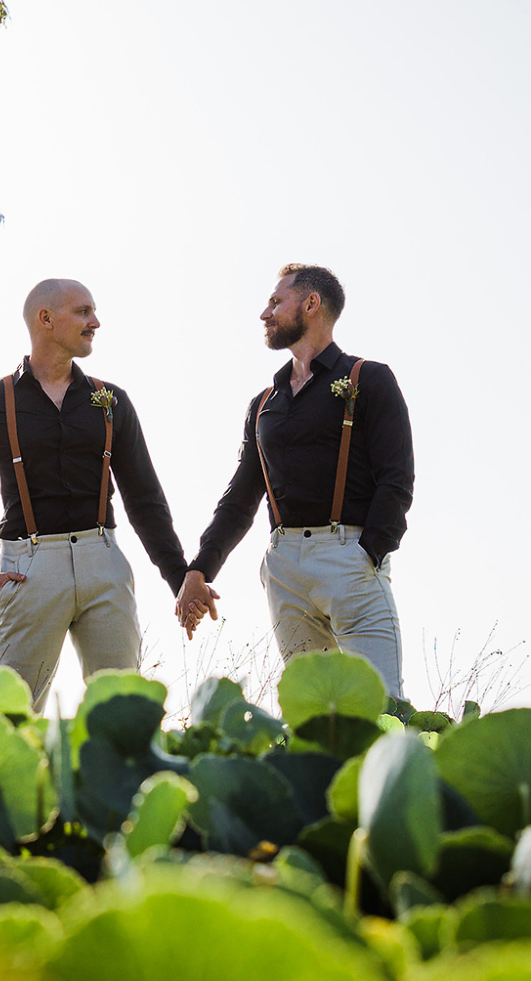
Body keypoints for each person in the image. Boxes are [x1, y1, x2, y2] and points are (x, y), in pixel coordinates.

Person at [0, 278, 190, 703]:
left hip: (104, 563)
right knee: (14, 715)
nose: (95, 321)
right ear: (46, 319)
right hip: (29, 567)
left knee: (123, 711)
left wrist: (180, 579)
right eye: (82, 312)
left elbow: (145, 501)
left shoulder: (112, 401)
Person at [177, 264, 415, 698]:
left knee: (383, 708)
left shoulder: (369, 379)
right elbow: (240, 498)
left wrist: (369, 554)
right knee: (311, 716)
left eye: (275, 302)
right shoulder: (264, 403)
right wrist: (200, 569)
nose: (265, 314)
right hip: (284, 566)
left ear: (311, 304)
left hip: (352, 560)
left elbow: (396, 479)